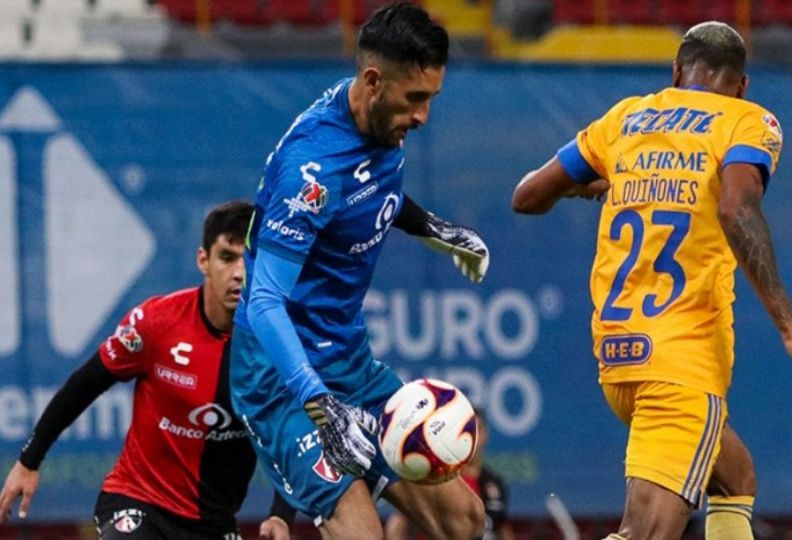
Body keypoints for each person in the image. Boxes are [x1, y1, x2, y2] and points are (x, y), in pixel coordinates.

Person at [511, 21, 792, 540]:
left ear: (675, 73)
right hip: (681, 367)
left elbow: (527, 195)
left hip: (619, 361)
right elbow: (736, 208)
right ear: (742, 85)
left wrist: (594, 185)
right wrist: (790, 328)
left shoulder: (625, 119)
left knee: (735, 477)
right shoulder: (746, 121)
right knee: (645, 533)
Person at [229, 3, 489, 539]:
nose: (422, 117)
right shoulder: (313, 172)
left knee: (464, 520)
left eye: (431, 99)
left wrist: (436, 230)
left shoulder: (377, 123)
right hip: (282, 380)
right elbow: (264, 302)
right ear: (373, 81)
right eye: (414, 99)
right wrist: (319, 402)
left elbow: (375, 190)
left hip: (349, 364)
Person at [0, 200, 294, 540]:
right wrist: (28, 461)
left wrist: (282, 516)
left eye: (249, 260)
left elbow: (287, 437)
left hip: (214, 524)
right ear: (204, 260)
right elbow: (86, 384)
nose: (239, 274)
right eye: (226, 258)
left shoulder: (277, 343)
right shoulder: (157, 322)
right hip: (138, 502)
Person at [384, 409, 514, 540]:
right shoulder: (437, 477)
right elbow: (399, 522)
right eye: (467, 429)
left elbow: (502, 527)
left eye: (477, 429)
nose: (473, 435)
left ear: (485, 435)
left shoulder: (494, 482)